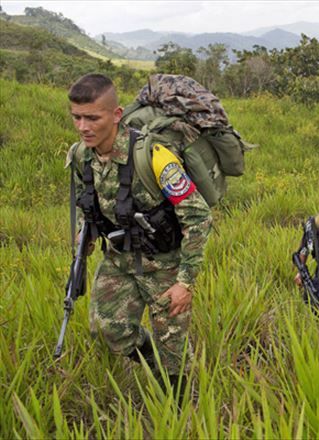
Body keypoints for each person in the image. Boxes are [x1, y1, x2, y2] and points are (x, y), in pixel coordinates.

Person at [65, 73, 212, 396]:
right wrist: (84, 235)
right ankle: (151, 360)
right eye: (76, 117)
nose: (83, 127)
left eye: (92, 118)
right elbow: (87, 202)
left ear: (116, 115)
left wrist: (185, 282)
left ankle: (178, 408)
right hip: (119, 260)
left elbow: (199, 216)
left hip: (164, 266)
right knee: (106, 330)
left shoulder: (154, 156)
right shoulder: (80, 155)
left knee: (173, 349)